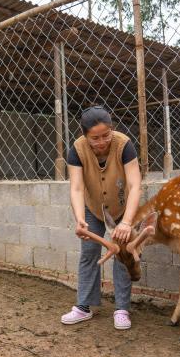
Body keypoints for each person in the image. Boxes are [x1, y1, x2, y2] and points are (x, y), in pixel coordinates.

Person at [61, 106, 142, 330]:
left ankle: (122, 309)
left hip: (123, 208)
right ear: (85, 135)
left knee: (123, 254)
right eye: (94, 138)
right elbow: (76, 188)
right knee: (89, 252)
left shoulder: (124, 144)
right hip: (93, 206)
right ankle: (83, 306)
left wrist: (126, 222)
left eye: (106, 135)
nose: (101, 141)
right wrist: (79, 218)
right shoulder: (77, 149)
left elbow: (135, 184)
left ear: (112, 130)